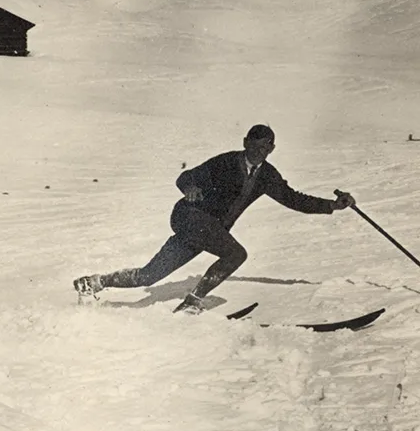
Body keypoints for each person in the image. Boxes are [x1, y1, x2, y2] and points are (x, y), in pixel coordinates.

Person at [73, 124, 357, 314]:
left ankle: (94, 281)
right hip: (189, 216)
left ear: (272, 149)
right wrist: (190, 188)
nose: (260, 152)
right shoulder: (225, 162)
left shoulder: (267, 176)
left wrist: (332, 205)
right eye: (255, 146)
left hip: (206, 229)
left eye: (266, 147)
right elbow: (186, 176)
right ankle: (193, 303)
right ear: (245, 143)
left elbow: (293, 199)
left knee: (148, 276)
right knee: (236, 253)